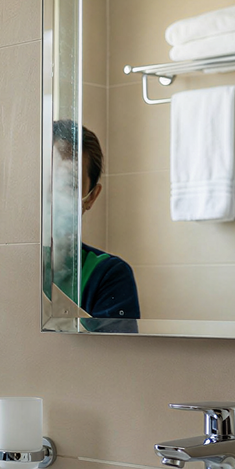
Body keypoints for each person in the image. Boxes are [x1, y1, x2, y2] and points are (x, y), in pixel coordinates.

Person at [56, 121, 140, 333]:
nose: (52, 195)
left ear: (91, 197)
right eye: (45, 180)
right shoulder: (0, 260)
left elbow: (115, 361)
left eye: (68, 184)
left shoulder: (107, 274)